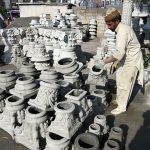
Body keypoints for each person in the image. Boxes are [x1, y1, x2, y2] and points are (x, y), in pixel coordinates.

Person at [96, 8, 144, 115]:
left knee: (125, 83)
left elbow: (119, 53)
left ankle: (122, 107)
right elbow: (119, 50)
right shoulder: (120, 29)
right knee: (119, 79)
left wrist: (104, 62)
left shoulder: (122, 31)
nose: (108, 27)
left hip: (132, 59)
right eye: (107, 24)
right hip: (126, 57)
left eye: (110, 24)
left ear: (117, 21)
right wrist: (112, 60)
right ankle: (119, 99)